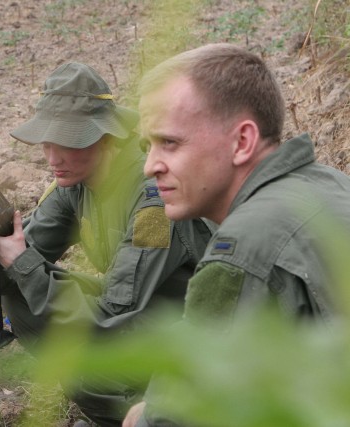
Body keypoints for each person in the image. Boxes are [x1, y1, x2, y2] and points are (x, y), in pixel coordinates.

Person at [0, 62, 214, 426]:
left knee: (81, 354)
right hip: (136, 314)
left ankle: (148, 414)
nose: (52, 158)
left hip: (193, 340)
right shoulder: (75, 185)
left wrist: (22, 261)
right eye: (47, 142)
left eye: (67, 143)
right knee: (22, 297)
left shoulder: (154, 202)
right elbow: (12, 273)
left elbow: (111, 316)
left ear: (105, 138)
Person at [123, 43, 350, 427]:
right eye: (148, 146)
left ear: (242, 142)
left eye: (169, 143)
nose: (149, 167)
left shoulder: (245, 247)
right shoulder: (330, 183)